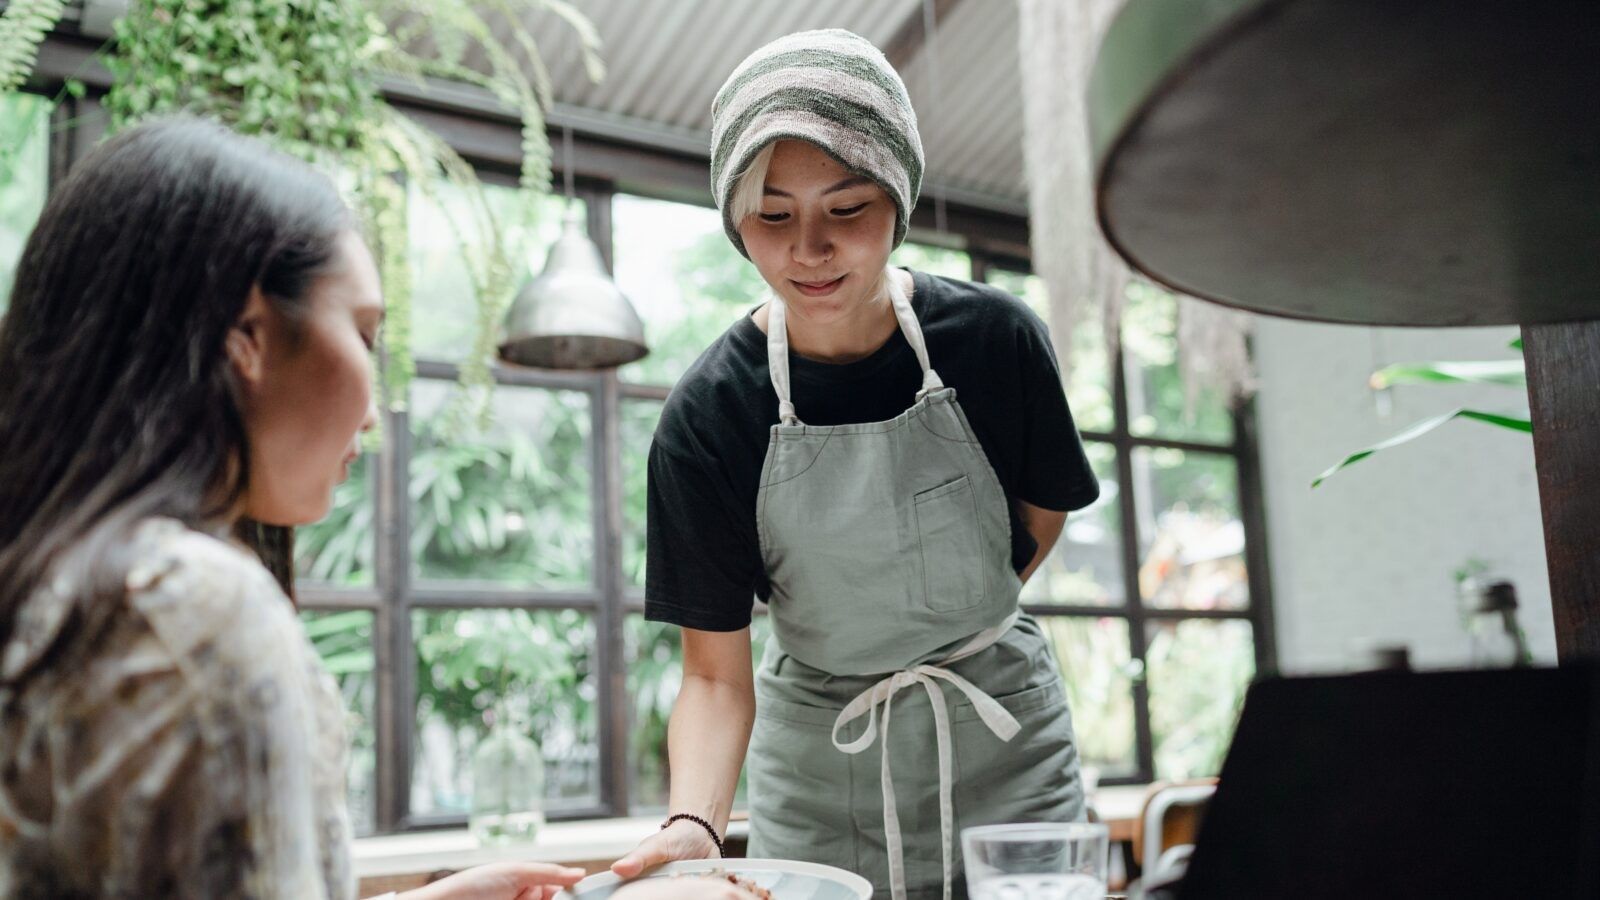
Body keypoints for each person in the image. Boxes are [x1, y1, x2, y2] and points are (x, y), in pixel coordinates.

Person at [0, 119, 747, 900]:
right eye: (362, 332)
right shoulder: (197, 609)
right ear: (247, 336)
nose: (375, 406)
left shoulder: (60, 576)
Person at [613, 28, 1102, 900]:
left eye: (847, 208)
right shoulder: (710, 417)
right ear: (735, 221)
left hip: (1005, 748)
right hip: (821, 769)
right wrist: (694, 824)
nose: (809, 248)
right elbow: (714, 676)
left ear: (899, 199)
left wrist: (943, 619)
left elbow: (1036, 523)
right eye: (773, 215)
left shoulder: (997, 344)